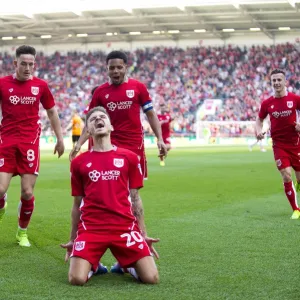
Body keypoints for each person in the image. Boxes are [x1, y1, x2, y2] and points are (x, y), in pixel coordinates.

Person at [61, 107, 159, 285]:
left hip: (124, 227)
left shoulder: (129, 158)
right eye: (93, 119)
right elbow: (77, 204)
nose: (98, 120)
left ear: (111, 126)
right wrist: (73, 238)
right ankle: (94, 266)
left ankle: (125, 265)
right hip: (91, 228)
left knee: (151, 278)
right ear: (88, 130)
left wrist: (143, 233)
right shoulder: (78, 163)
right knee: (76, 279)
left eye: (103, 117)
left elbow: (135, 199)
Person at [0, 45, 65, 246]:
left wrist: (60, 138)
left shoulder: (41, 86)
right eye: (23, 64)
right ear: (15, 64)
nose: (28, 68)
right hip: (6, 141)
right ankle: (2, 205)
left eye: (31, 64)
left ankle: (22, 232)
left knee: (27, 192)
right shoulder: (2, 84)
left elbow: (52, 112)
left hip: (30, 142)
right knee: (0, 190)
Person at [69, 50, 167, 179]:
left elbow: (151, 114)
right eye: (112, 68)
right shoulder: (100, 92)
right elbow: (90, 121)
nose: (115, 71)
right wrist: (78, 145)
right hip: (109, 144)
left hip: (134, 144)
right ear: (107, 69)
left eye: (119, 67)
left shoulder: (138, 87)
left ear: (125, 67)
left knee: (134, 189)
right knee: (111, 184)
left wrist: (160, 139)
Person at [256, 69, 300, 219]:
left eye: (279, 80)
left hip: (296, 144)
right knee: (286, 175)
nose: (276, 83)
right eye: (273, 80)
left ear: (285, 81)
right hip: (279, 145)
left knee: (299, 178)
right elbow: (259, 119)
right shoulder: (267, 103)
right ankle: (296, 209)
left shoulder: (295, 99)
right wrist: (258, 131)